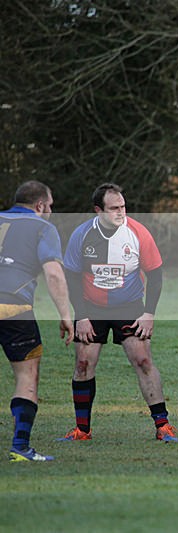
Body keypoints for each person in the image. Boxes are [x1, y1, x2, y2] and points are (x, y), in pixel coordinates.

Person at [60, 183, 178, 443]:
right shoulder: (82, 235)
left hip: (130, 306)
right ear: (98, 210)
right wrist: (81, 316)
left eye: (123, 207)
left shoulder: (138, 232)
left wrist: (149, 314)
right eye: (114, 208)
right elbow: (71, 278)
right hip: (91, 308)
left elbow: (156, 275)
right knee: (83, 364)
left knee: (143, 360)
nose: (121, 212)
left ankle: (163, 426)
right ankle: (82, 430)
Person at [2, 181, 73, 461]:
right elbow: (54, 274)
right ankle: (20, 447)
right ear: (40, 205)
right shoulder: (42, 227)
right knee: (26, 375)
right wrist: (65, 315)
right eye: (51, 206)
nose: (51, 211)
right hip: (13, 305)